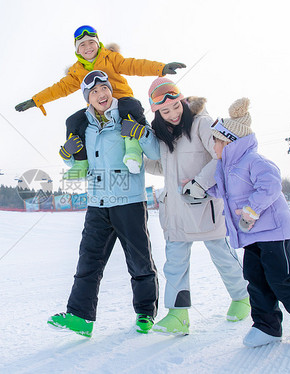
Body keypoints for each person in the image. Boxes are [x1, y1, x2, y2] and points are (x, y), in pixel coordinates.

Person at [47, 70, 161, 337]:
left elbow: (155, 152)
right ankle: (80, 318)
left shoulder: (127, 115)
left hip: (129, 201)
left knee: (139, 261)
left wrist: (141, 133)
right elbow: (81, 164)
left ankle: (146, 313)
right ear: (88, 98)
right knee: (88, 261)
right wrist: (67, 156)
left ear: (111, 91)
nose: (101, 94)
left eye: (104, 89)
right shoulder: (83, 125)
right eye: (94, 91)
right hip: (97, 203)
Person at [208, 97, 290, 347]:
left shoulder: (253, 160)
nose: (214, 146)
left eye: (216, 140)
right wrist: (200, 190)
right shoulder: (226, 168)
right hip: (251, 234)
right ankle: (267, 326)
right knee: (255, 280)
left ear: (230, 142)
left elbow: (270, 185)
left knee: (280, 277)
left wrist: (252, 209)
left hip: (272, 231)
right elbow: (225, 193)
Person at [144, 77, 250, 335]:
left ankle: (243, 298)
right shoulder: (162, 135)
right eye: (165, 111)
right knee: (175, 264)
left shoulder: (202, 124)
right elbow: (163, 168)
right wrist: (137, 162)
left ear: (182, 101)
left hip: (205, 207)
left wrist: (200, 183)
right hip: (176, 212)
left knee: (222, 256)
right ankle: (178, 315)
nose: (172, 114)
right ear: (157, 112)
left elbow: (221, 156)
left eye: (176, 107)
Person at [15, 25, 185, 179]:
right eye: (82, 45)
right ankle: (81, 162)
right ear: (77, 50)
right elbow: (59, 88)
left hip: (122, 100)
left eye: (91, 42)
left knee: (131, 108)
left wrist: (160, 68)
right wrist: (35, 100)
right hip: (98, 108)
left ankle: (132, 152)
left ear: (98, 43)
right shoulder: (76, 72)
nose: (88, 47)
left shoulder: (110, 58)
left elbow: (134, 65)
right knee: (73, 121)